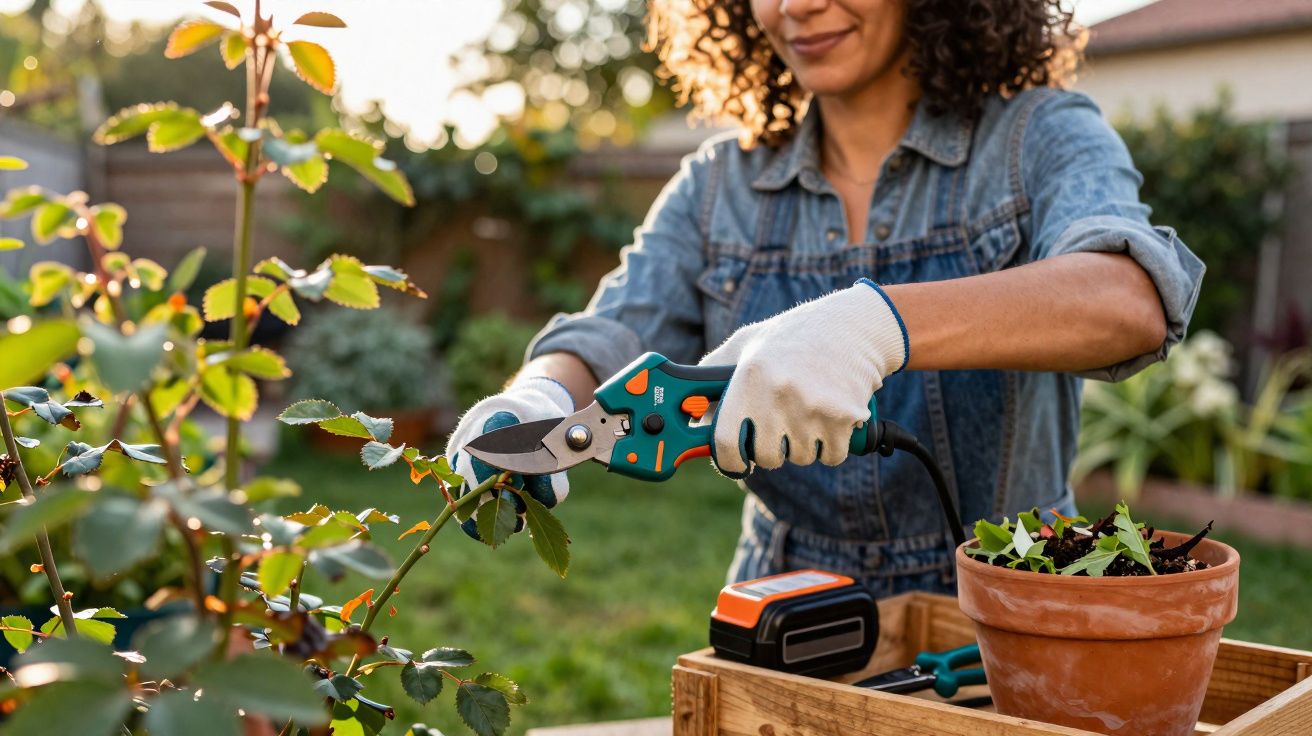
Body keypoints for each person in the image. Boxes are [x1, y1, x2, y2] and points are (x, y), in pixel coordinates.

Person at [446, 0, 1204, 597]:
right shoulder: (720, 188)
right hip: (787, 600)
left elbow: (1127, 296)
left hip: (1018, 599)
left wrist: (875, 325)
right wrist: (538, 398)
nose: (795, 7)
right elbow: (612, 327)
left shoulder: (1035, 136)